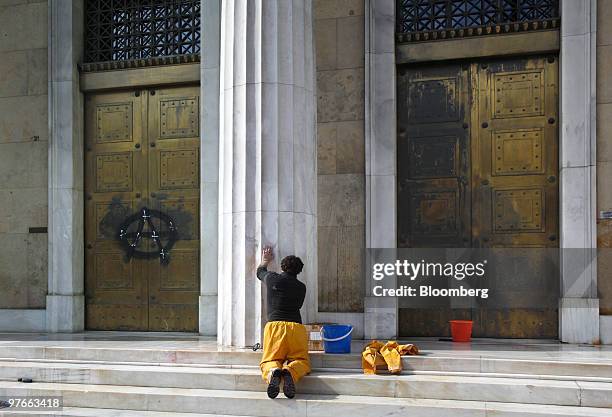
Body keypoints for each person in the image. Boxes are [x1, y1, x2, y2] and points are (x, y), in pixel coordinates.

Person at [257, 246, 310, 399]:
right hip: (296, 328)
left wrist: (265, 261)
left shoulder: (273, 278)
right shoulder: (302, 287)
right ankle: (290, 371)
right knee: (301, 361)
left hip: (275, 327)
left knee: (271, 360)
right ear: (299, 271)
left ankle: (274, 371)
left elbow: (260, 273)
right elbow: (298, 305)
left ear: (282, 267)